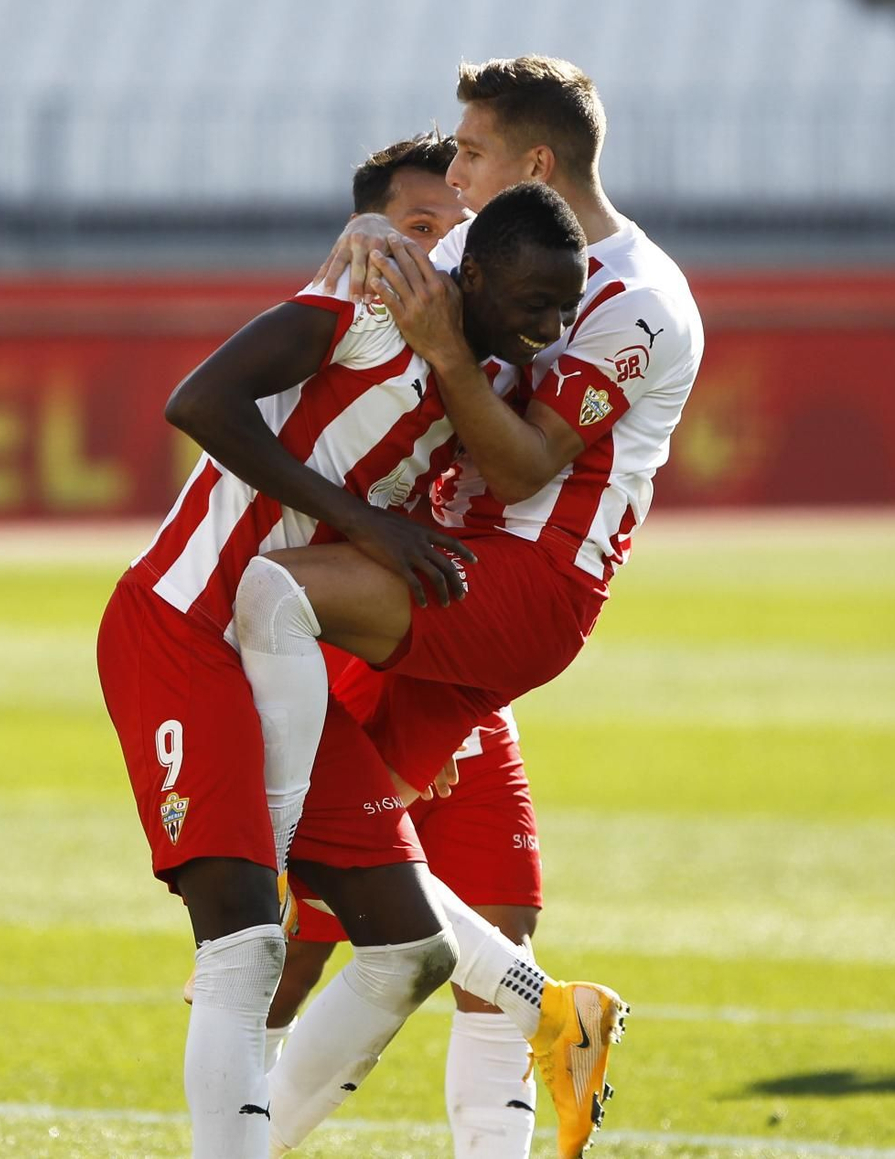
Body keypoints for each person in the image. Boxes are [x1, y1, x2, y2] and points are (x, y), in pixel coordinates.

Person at [233, 55, 705, 1159]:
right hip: (443, 574)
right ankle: (545, 1012)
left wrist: (442, 344)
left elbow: (522, 471)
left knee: (273, 630)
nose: (455, 167)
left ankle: (234, 1130)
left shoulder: (639, 299)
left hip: (516, 587)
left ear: (535, 162)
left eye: (474, 150)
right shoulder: (471, 244)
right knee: (463, 913)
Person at [94, 176, 588, 1159]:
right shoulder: (369, 302)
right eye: (535, 304)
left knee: (411, 950)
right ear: (476, 277)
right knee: (244, 948)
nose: (552, 328)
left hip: (282, 658)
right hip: (185, 626)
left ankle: (548, 1016)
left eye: (566, 308)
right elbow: (198, 400)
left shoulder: (481, 388)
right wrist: (367, 523)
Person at [266, 132, 562, 1159]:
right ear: (365, 236)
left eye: (456, 232)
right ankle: (230, 1136)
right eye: (415, 230)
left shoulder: (492, 361)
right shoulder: (329, 333)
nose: (436, 255)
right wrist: (334, 266)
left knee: (495, 949)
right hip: (351, 673)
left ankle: (546, 1021)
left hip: (463, 687)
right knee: (298, 959)